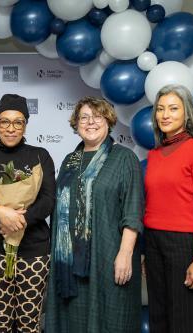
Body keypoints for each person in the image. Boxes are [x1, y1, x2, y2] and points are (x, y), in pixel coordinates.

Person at [45, 97, 144, 332]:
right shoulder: (70, 160)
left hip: (108, 257)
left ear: (108, 121)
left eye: (97, 116)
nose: (91, 122)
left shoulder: (124, 157)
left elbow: (133, 209)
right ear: (76, 123)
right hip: (69, 265)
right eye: (84, 117)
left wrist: (125, 253)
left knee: (111, 319)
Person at [0, 94, 56, 332]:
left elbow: (48, 200)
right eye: (4, 122)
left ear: (26, 125)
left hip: (34, 252)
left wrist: (18, 220)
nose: (11, 128)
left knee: (30, 321)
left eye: (18, 122)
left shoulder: (40, 156)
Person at [144, 84, 193, 333]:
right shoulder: (154, 154)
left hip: (183, 244)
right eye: (160, 109)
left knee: (182, 319)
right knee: (158, 316)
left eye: (173, 108)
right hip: (152, 241)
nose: (165, 114)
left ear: (187, 114)